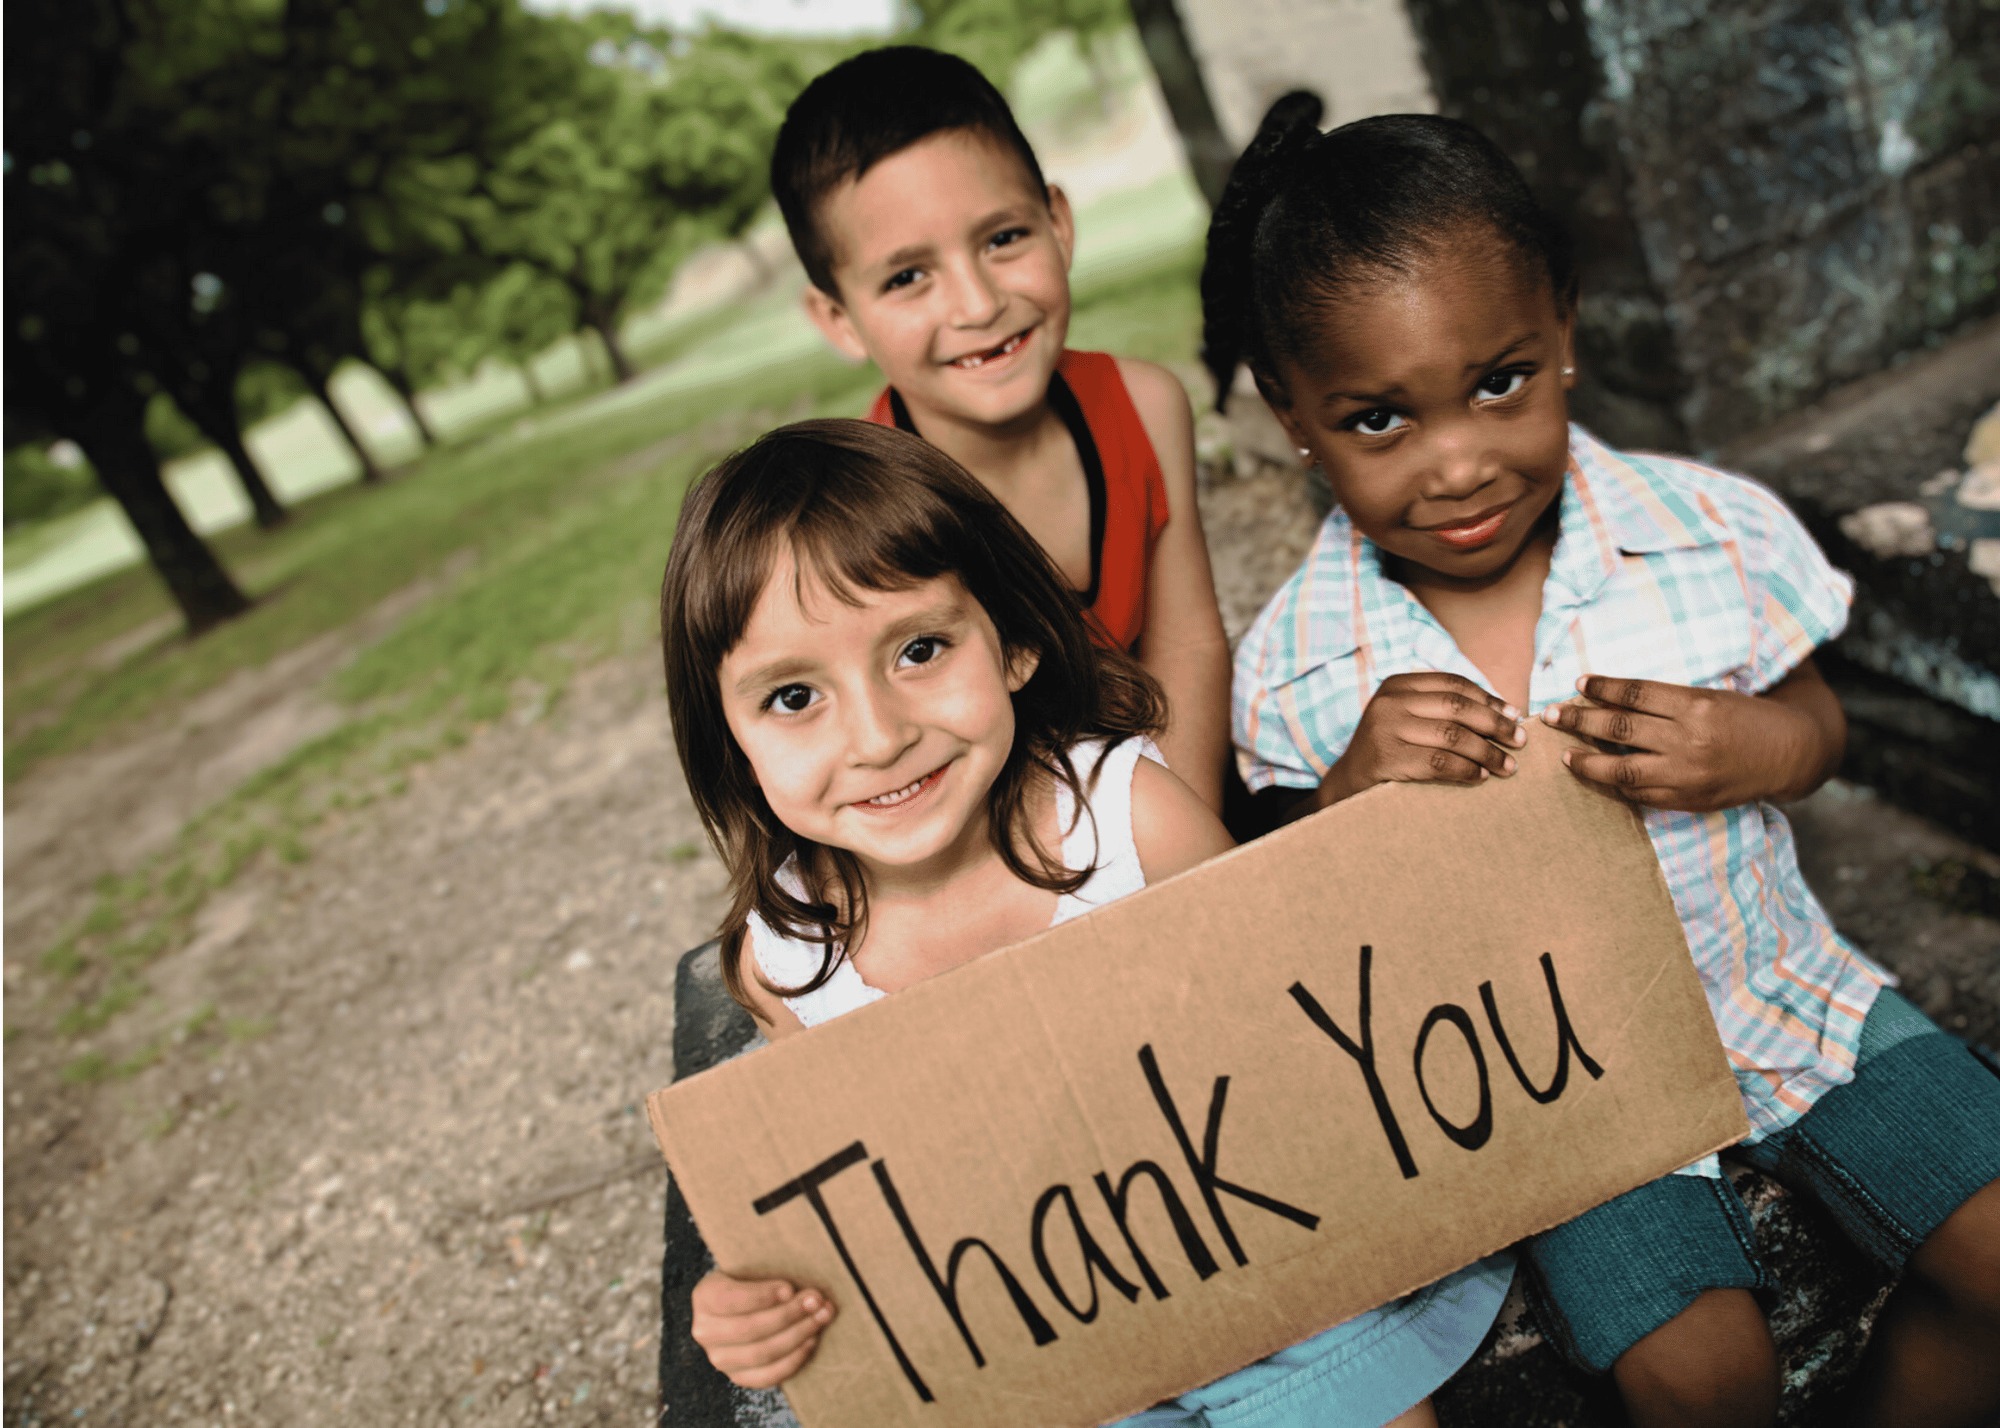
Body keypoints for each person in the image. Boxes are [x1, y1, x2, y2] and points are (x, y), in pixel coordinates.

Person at [1214, 95, 2000, 1428]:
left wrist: (1755, 744)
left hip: (1786, 996)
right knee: (1698, 1374)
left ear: (1564, 326)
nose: (1459, 463)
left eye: (1499, 381)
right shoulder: (1300, 662)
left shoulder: (1708, 530)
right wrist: (1350, 796)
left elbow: (1820, 732)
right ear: (1293, 414)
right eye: (1378, 423)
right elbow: (1305, 924)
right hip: (1568, 1090)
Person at [659, 419, 1514, 1428]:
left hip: (1277, 1291)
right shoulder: (789, 961)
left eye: (921, 649)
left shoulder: (1129, 822)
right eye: (794, 695)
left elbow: (1302, 1044)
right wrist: (751, 1307)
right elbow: (841, 1222)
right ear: (730, 739)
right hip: (1041, 1361)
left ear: (1013, 641)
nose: (879, 735)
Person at [768, 46, 1233, 813]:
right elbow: (901, 760)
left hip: (1170, 801)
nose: (977, 303)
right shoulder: (859, 508)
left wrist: (1176, 853)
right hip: (992, 839)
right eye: (907, 276)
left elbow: (1188, 648)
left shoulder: (1146, 407)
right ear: (839, 319)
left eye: (1003, 239)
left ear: (1058, 224)